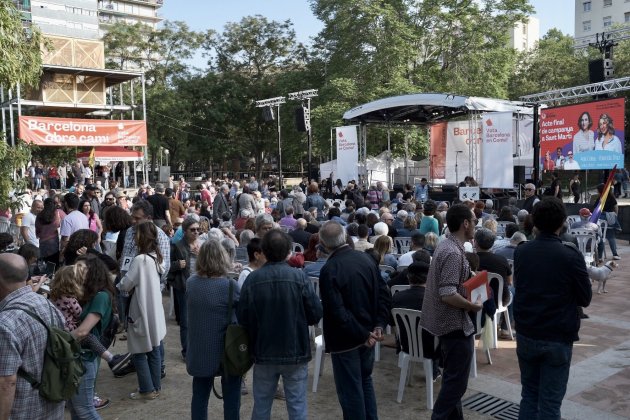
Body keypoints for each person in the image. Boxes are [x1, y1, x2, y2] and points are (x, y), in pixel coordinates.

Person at [514, 197, 592, 418]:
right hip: (557, 335)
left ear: (535, 222)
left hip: (527, 331)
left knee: (529, 395)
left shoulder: (522, 251)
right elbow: (585, 298)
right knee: (549, 403)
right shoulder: (570, 254)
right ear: (562, 223)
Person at [237, 229, 322, 420]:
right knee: (297, 405)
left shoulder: (253, 279)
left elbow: (243, 317)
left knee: (262, 405)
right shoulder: (299, 277)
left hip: (264, 349)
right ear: (287, 252)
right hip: (294, 350)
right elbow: (315, 313)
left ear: (264, 251)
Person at [318, 221, 391, 420]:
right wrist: (376, 326)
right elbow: (384, 295)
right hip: (364, 334)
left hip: (349, 339)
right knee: (363, 382)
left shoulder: (331, 269)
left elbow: (337, 311)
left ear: (324, 244)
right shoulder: (365, 259)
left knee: (352, 391)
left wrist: (375, 327)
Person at [421, 204, 483, 419]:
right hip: (453, 325)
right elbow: (447, 293)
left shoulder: (446, 245)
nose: (475, 224)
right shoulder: (453, 252)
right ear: (465, 224)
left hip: (448, 323)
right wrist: (472, 305)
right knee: (456, 385)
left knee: (453, 381)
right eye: (473, 221)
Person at [0, 253, 66, 420]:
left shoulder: (5, 323)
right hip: (53, 405)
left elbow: (6, 383)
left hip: (23, 411)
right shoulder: (46, 304)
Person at [186, 239, 242, 420]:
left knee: (200, 395)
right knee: (232, 396)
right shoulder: (230, 286)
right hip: (226, 350)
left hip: (200, 348)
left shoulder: (191, 283)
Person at [118, 222, 167, 400]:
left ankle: (146, 389)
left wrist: (117, 282)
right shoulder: (157, 258)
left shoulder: (141, 260)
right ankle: (155, 387)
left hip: (141, 309)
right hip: (154, 310)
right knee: (154, 349)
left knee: (139, 352)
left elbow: (126, 284)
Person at [66, 254, 116, 419]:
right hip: (78, 356)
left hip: (85, 358)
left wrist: (57, 341)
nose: (76, 271)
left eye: (81, 268)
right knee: (76, 409)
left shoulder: (101, 296)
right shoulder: (87, 294)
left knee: (84, 410)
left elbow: (82, 331)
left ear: (93, 272)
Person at [168, 217, 202, 361]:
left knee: (200, 320)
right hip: (184, 287)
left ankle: (198, 348)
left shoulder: (201, 245)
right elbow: (168, 267)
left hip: (201, 286)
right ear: (185, 231)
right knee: (186, 321)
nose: (196, 232)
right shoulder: (178, 246)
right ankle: (187, 352)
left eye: (198, 229)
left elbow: (209, 264)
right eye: (192, 230)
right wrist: (177, 264)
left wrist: (200, 255)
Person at [35, 197, 64, 266]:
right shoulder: (57, 213)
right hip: (54, 241)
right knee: (54, 263)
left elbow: (37, 229)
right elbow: (60, 223)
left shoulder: (39, 215)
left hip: (43, 242)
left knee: (45, 263)